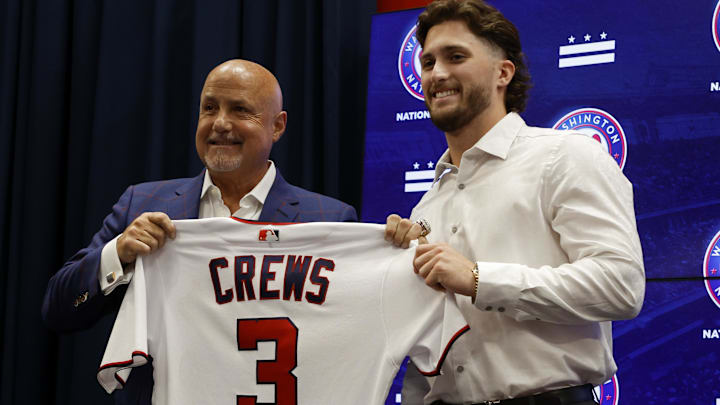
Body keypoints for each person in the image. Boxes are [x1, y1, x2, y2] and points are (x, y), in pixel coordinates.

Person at [42, 59, 357, 403]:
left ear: (277, 126)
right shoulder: (143, 203)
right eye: (209, 108)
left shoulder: (328, 221)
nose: (220, 124)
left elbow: (351, 344)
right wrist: (117, 254)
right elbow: (58, 309)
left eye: (240, 110)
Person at [384, 1, 645, 404]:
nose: (437, 73)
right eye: (428, 61)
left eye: (456, 56)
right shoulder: (427, 206)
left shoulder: (566, 156)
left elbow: (620, 286)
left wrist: (478, 279)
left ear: (503, 72)